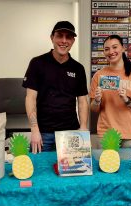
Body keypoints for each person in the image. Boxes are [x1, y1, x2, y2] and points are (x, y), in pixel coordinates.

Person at [22, 21, 89, 153]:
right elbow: (30, 98)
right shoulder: (37, 63)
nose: (64, 41)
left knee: (72, 172)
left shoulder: (78, 68)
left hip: (70, 133)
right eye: (60, 35)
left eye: (68, 37)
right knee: (39, 170)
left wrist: (83, 127)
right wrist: (34, 130)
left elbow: (82, 101)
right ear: (52, 37)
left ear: (73, 41)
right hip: (43, 133)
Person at [89, 34, 131, 148]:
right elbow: (93, 108)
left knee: (129, 166)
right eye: (106, 49)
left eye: (115, 47)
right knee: (106, 166)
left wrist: (127, 100)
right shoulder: (98, 75)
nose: (111, 51)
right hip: (107, 133)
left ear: (123, 48)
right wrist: (97, 100)